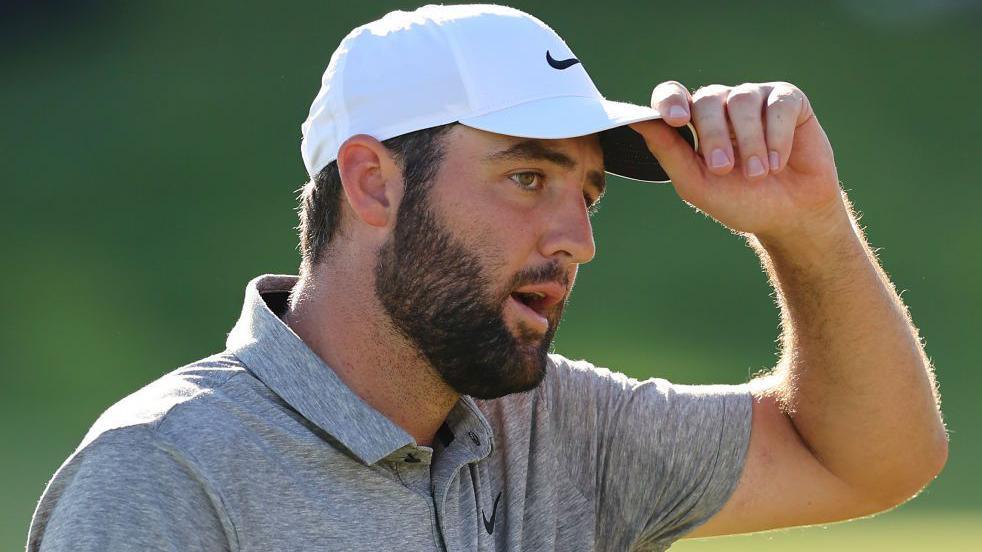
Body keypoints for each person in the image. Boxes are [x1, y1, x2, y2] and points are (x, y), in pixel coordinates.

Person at [27, 4, 947, 551]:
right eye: (527, 178)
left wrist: (808, 228)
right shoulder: (162, 473)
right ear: (373, 182)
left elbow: (870, 459)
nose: (577, 238)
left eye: (588, 193)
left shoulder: (560, 430)